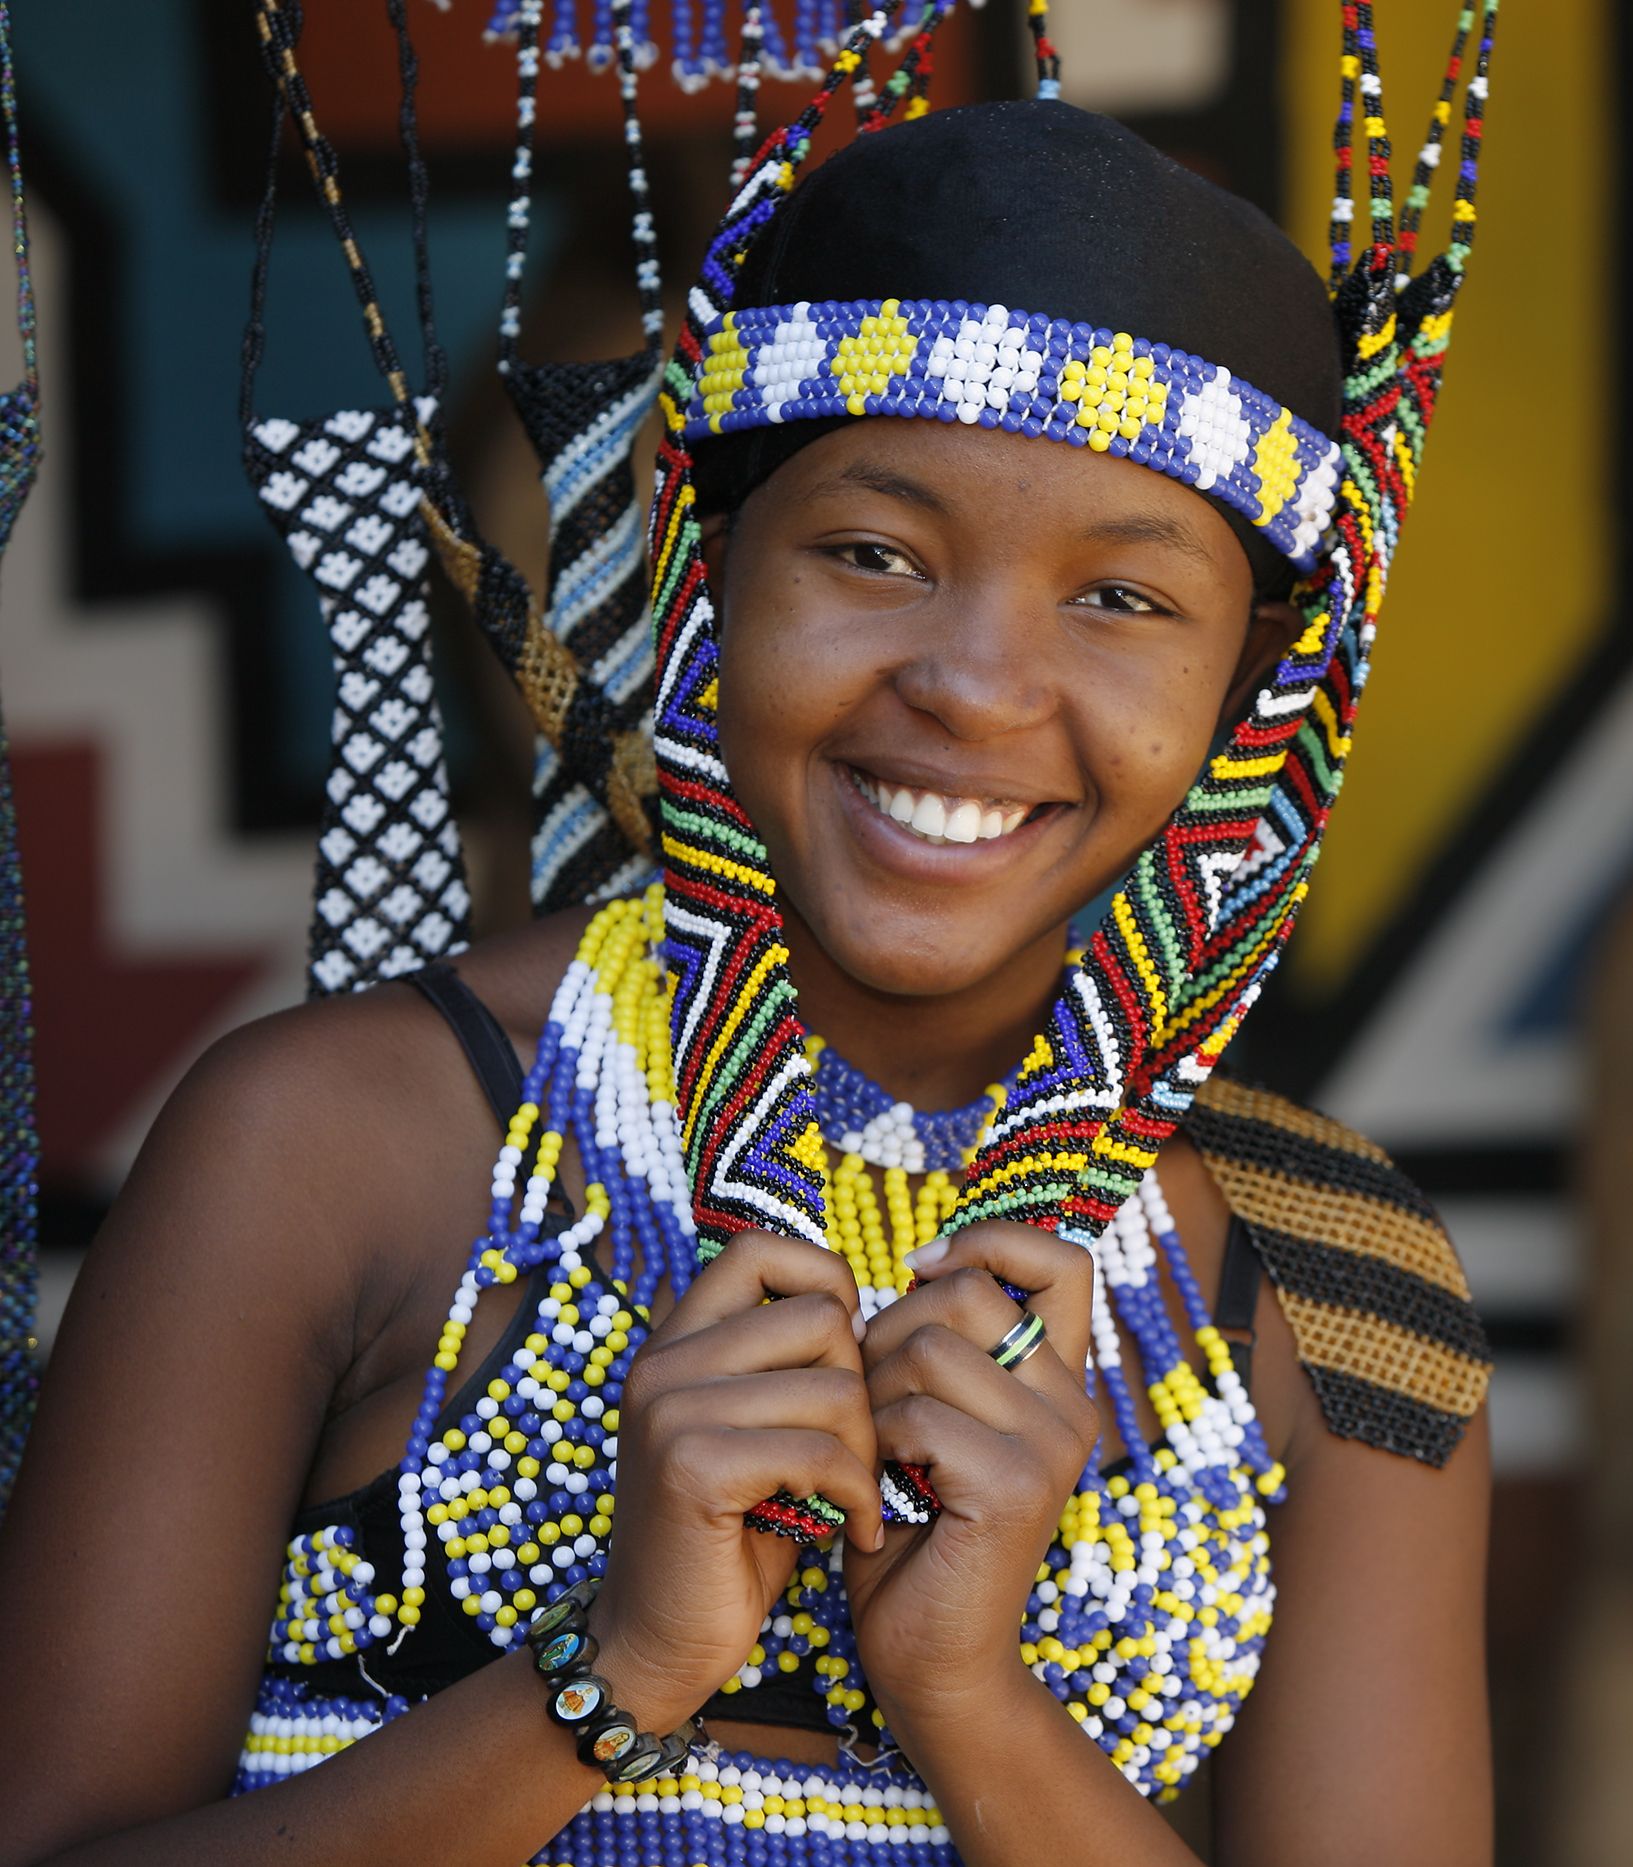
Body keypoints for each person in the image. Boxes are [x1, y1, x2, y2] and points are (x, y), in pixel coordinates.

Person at [0, 100, 1494, 1866]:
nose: (978, 687)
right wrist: (619, 1674)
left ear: (1258, 686)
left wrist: (970, 1699)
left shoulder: (1329, 1287)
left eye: (1121, 599)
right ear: (707, 571)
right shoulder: (331, 1146)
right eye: (876, 555)